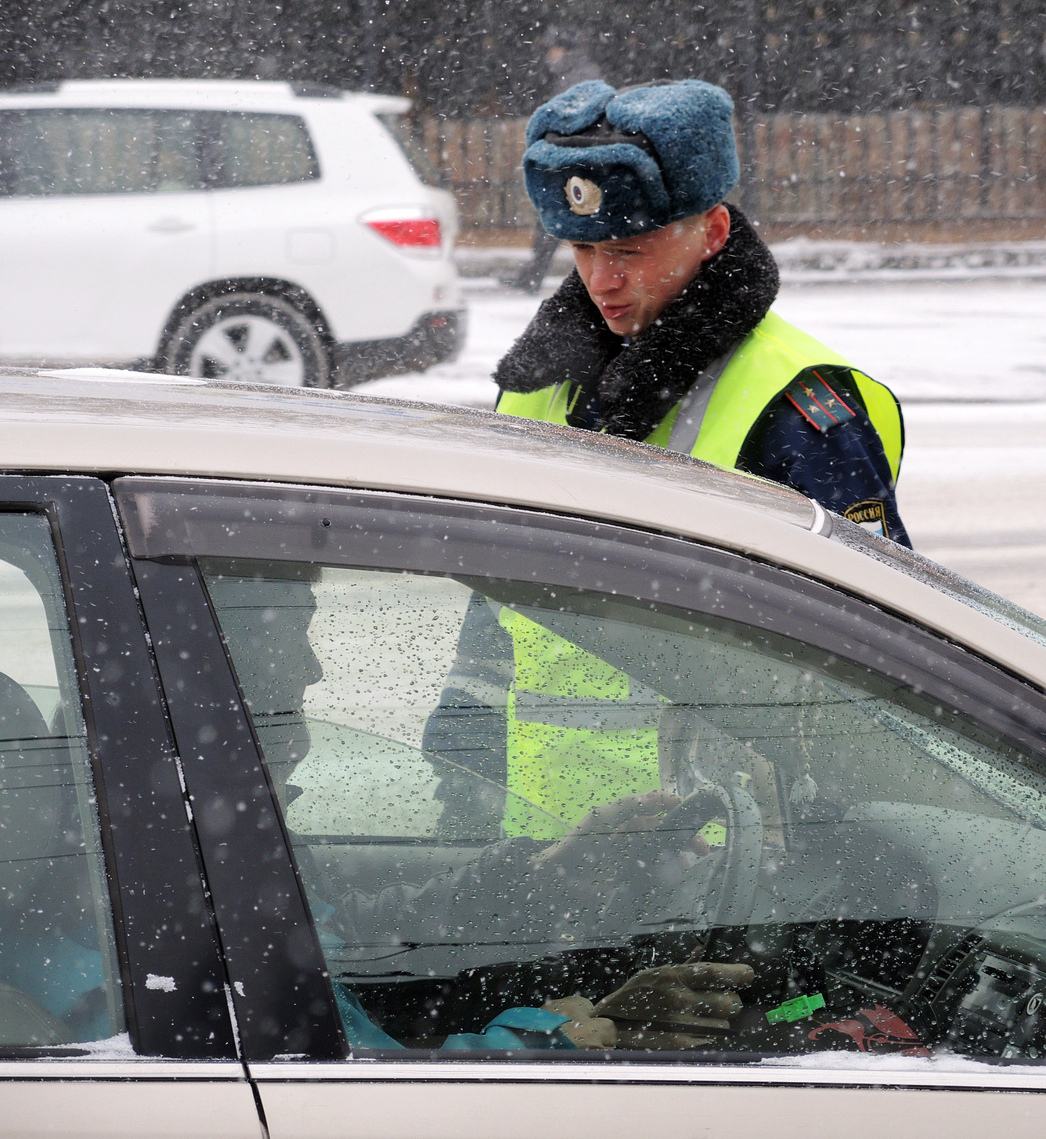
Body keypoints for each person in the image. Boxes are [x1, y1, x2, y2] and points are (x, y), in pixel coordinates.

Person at [495, 78, 910, 547]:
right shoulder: (536, 377)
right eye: (582, 248)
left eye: (628, 252)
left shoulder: (797, 407)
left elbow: (868, 605)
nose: (601, 280)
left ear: (713, 233)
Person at [510, 30, 602, 294]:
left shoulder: (579, 77)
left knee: (559, 218)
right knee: (556, 219)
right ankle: (533, 275)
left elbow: (571, 120)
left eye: (554, 49)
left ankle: (536, 276)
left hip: (573, 161)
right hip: (571, 160)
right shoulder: (575, 74)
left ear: (566, 51)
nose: (549, 55)